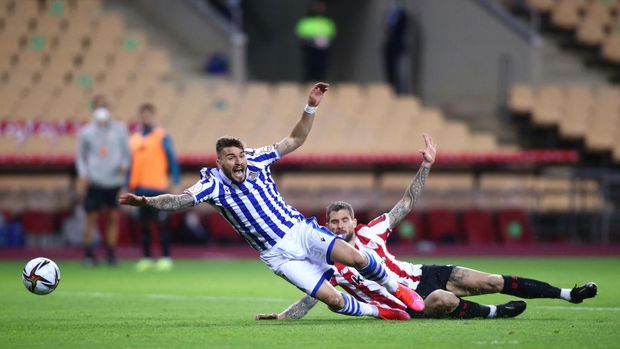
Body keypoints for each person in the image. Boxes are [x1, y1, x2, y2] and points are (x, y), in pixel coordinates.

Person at [120, 82, 423, 321]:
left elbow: (295, 140)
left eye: (240, 155)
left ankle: (398, 290)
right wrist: (147, 202)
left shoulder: (257, 158)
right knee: (332, 299)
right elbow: (179, 201)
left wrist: (310, 107)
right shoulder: (211, 183)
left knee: (355, 257)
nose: (239, 162)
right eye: (231, 158)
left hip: (299, 231)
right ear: (219, 162)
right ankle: (380, 311)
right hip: (277, 255)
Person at [256, 134, 598, 320]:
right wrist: (284, 316)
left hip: (424, 273)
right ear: (327, 225)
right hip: (405, 303)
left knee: (490, 280)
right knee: (441, 299)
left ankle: (568, 294)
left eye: (345, 219)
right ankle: (494, 313)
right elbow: (314, 295)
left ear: (354, 221)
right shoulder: (326, 257)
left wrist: (426, 167)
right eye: (334, 221)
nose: (340, 225)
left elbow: (406, 203)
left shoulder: (371, 231)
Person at [76, 94, 131, 266]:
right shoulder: (86, 132)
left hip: (114, 181)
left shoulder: (120, 130)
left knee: (113, 217)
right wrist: (83, 173)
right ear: (94, 110)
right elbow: (80, 156)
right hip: (95, 181)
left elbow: (127, 153)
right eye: (98, 107)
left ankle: (111, 253)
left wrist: (124, 164)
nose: (102, 111)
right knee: (91, 218)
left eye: (104, 107)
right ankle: (88, 253)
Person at [128, 103, 181, 272]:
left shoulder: (161, 136)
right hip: (140, 189)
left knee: (161, 223)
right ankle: (146, 258)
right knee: (143, 225)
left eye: (148, 115)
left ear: (153, 116)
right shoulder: (134, 139)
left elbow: (172, 159)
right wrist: (126, 186)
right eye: (143, 115)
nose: (146, 118)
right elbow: (130, 165)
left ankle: (165, 257)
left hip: (158, 188)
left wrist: (175, 181)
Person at [295, 1, 336, 82]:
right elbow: (301, 36)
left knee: (322, 68)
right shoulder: (306, 22)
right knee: (309, 67)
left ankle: (321, 84)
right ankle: (307, 84)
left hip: (324, 49)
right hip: (310, 48)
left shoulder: (327, 22)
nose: (319, 8)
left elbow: (332, 36)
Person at [383, 0, 408, 94]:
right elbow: (386, 28)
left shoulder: (403, 15)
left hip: (398, 48)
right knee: (390, 72)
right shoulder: (388, 15)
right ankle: (391, 89)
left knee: (400, 72)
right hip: (389, 48)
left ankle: (400, 91)